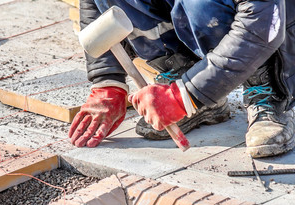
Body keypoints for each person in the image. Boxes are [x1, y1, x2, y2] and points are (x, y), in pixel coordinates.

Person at [69, 0, 295, 158]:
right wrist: (107, 80)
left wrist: (185, 95)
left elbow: (261, 26)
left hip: (274, 27)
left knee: (203, 6)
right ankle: (188, 80)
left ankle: (269, 91)